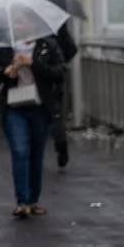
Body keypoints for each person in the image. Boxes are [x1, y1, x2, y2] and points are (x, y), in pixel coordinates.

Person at [0, 30, 66, 219]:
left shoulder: (47, 45)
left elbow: (59, 73)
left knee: (36, 153)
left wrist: (34, 64)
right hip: (14, 108)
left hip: (40, 107)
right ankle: (22, 202)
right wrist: (7, 71)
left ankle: (33, 200)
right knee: (20, 150)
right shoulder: (7, 47)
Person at [51, 24, 78, 168]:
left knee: (51, 115)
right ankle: (62, 148)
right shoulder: (57, 24)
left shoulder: (33, 29)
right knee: (56, 115)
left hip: (44, 78)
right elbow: (72, 49)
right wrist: (61, 61)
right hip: (56, 79)